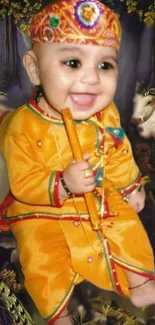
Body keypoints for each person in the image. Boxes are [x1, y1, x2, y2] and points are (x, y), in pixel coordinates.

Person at [0, 0, 155, 324]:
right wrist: (62, 184)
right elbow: (24, 182)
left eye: (105, 65)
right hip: (40, 211)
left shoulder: (106, 114)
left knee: (126, 223)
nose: (91, 79)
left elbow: (118, 153)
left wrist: (129, 186)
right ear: (33, 68)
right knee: (42, 259)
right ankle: (60, 315)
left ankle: (140, 281)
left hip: (98, 198)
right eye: (72, 62)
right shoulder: (21, 126)